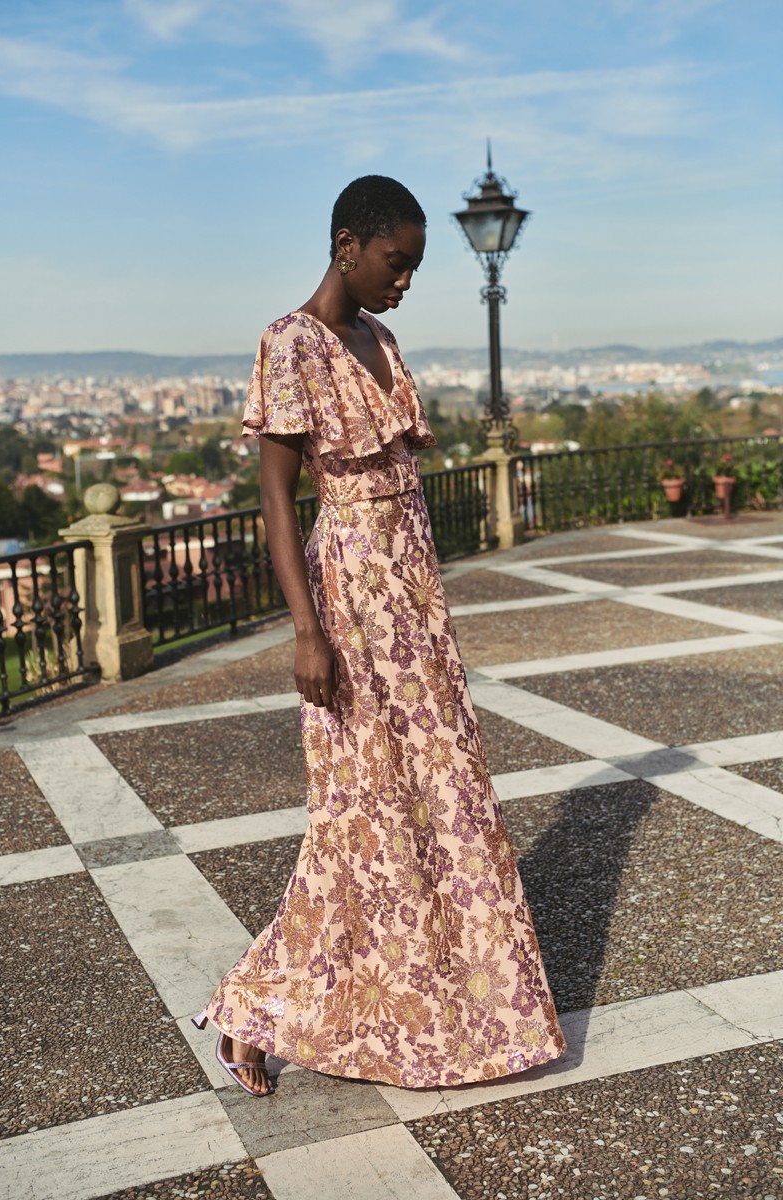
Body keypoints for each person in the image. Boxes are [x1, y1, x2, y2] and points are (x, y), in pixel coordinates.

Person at [193, 175, 566, 1096]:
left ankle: (444, 1005)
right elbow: (278, 501)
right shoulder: (292, 344)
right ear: (345, 243)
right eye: (395, 264)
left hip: (414, 603)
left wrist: (426, 611)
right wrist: (306, 632)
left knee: (439, 800)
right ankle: (257, 1005)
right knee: (362, 815)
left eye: (413, 269)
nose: (404, 283)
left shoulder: (380, 339)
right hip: (352, 602)